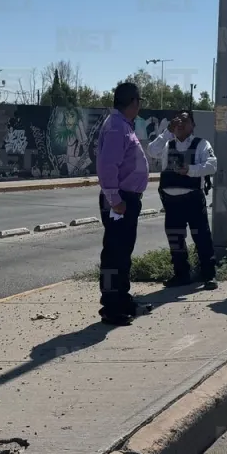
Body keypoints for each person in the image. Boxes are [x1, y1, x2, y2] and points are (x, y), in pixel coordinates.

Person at [95, 81, 153, 326]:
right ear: (133, 102)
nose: (140, 105)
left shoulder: (123, 125)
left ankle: (122, 298)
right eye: (139, 100)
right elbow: (107, 166)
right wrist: (115, 200)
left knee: (122, 254)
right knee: (114, 254)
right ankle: (111, 306)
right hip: (119, 200)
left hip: (126, 199)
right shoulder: (117, 127)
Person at [147, 110, 218, 289]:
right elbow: (151, 151)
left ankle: (209, 275)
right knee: (175, 239)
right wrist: (167, 132)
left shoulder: (201, 144)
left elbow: (212, 165)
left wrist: (190, 170)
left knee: (201, 237)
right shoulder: (167, 143)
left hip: (192, 198)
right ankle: (181, 274)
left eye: (185, 121)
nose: (180, 124)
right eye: (177, 121)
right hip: (171, 201)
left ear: (193, 125)